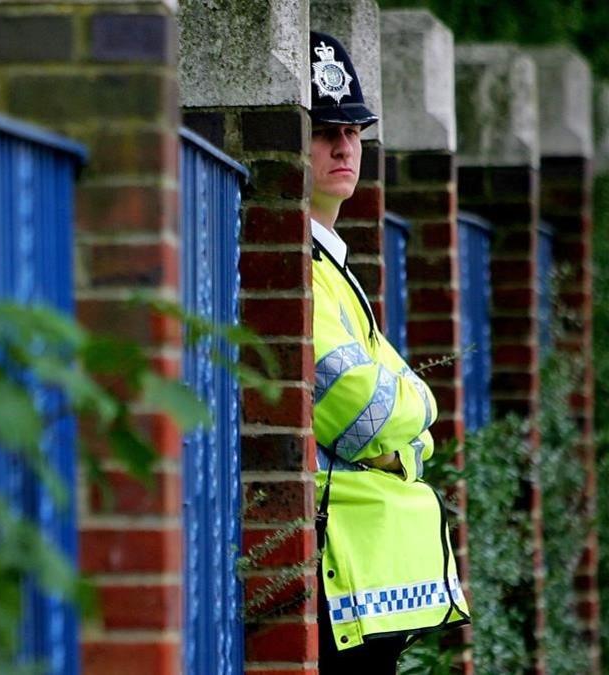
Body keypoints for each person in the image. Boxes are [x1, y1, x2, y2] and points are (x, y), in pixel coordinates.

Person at [306, 31, 470, 672]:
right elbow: (357, 411)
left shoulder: (330, 265)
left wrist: (408, 416)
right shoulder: (299, 267)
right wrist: (414, 407)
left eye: (353, 130)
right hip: (336, 574)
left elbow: (414, 432)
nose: (344, 146)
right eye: (323, 130)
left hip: (369, 577)